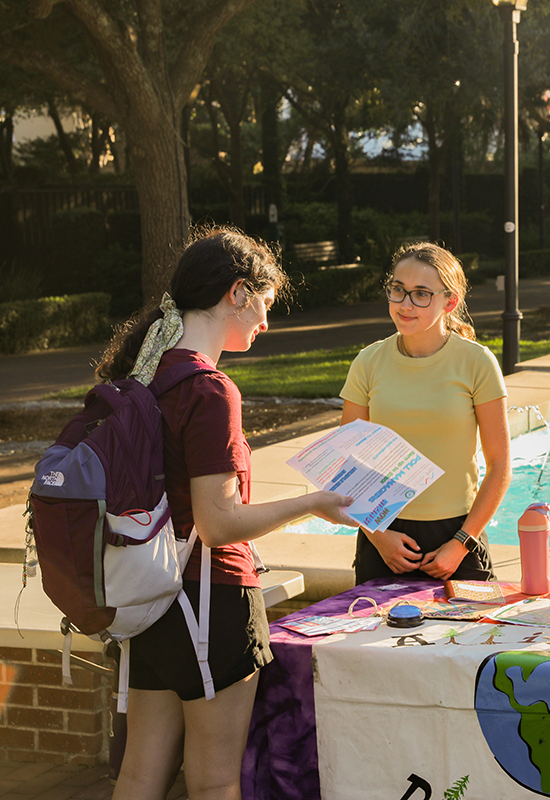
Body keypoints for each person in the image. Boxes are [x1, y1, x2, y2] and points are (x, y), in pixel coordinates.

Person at [98, 228, 357, 800]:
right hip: (210, 601)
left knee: (140, 774)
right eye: (265, 302)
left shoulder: (146, 374)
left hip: (150, 597)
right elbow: (219, 525)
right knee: (215, 780)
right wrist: (314, 503)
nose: (266, 321)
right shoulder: (210, 390)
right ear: (238, 293)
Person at [340, 242, 510, 583]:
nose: (405, 304)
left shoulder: (477, 363)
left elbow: (500, 467)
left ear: (450, 301)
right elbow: (348, 465)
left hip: (459, 540)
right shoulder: (367, 362)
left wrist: (461, 544)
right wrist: (379, 538)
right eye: (398, 290)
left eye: (421, 294)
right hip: (384, 540)